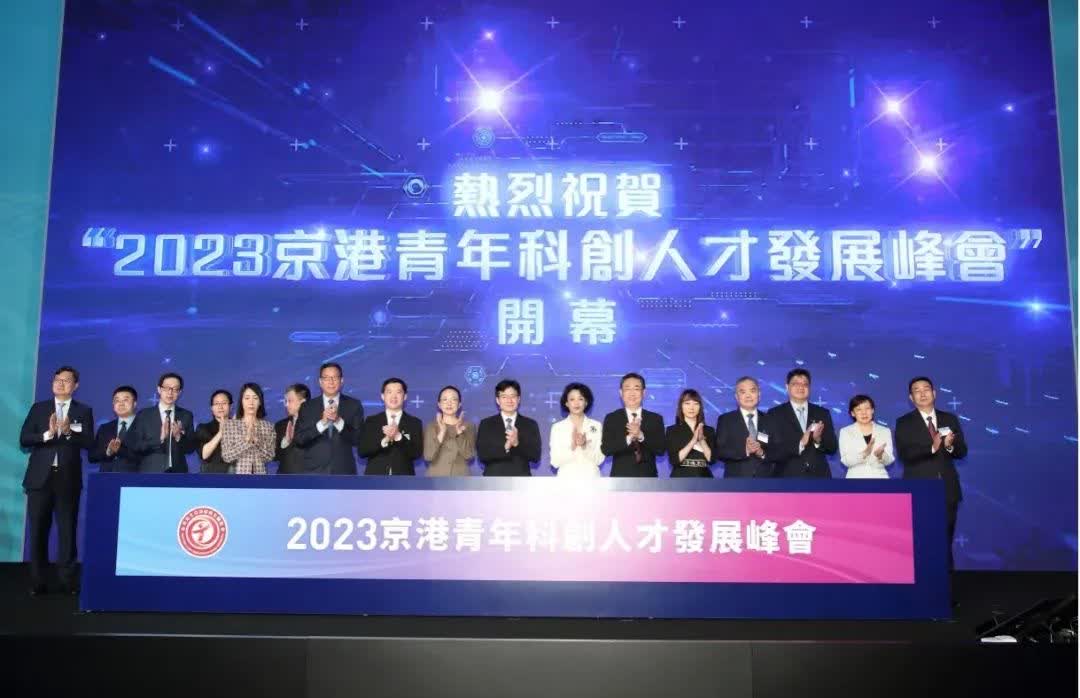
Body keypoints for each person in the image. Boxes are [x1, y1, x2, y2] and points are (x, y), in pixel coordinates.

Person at [19, 366, 94, 595]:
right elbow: (24, 439)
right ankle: (38, 581)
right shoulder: (39, 408)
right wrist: (47, 435)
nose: (60, 383)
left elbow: (88, 442)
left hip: (67, 480)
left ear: (75, 385)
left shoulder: (83, 411)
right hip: (39, 480)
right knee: (38, 531)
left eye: (66, 380)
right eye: (57, 380)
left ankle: (67, 581)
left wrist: (69, 431)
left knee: (67, 531)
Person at [895, 376, 968, 569]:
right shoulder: (904, 422)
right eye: (916, 390)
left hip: (947, 489)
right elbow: (905, 455)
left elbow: (962, 452)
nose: (922, 393)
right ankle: (923, 583)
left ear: (934, 393)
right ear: (911, 398)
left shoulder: (949, 419)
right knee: (921, 541)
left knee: (945, 542)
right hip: (919, 489)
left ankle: (946, 585)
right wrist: (933, 447)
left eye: (926, 389)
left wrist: (950, 446)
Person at [293, 362, 365, 474]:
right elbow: (299, 440)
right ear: (320, 382)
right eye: (326, 378)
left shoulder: (354, 405)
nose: (331, 382)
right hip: (314, 472)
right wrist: (322, 424)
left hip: (343, 471)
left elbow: (358, 439)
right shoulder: (307, 407)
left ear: (341, 381)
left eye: (335, 377)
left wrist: (338, 421)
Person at [768, 368, 838, 478]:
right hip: (787, 477)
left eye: (805, 384)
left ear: (809, 388)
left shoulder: (822, 413)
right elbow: (771, 451)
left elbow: (832, 448)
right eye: (795, 384)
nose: (801, 387)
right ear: (787, 387)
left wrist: (818, 440)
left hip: (819, 477)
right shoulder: (774, 414)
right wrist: (800, 444)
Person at [125, 372, 196, 473]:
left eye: (175, 389)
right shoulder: (144, 415)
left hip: (178, 472)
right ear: (159, 389)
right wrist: (160, 439)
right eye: (166, 388)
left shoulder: (186, 415)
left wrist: (179, 437)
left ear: (180, 392)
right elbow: (135, 445)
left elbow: (191, 448)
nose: (170, 392)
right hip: (151, 471)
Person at [601, 373, 665, 477]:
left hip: (648, 477)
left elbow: (661, 450)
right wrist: (629, 437)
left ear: (644, 393)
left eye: (636, 388)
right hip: (620, 477)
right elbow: (606, 449)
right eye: (627, 389)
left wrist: (641, 436)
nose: (632, 393)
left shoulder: (655, 418)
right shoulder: (612, 418)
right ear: (621, 393)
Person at [714, 376, 780, 478]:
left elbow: (778, 451)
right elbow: (720, 451)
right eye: (743, 392)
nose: (748, 395)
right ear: (736, 397)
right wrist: (745, 450)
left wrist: (762, 453)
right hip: (736, 481)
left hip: (765, 480)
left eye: (752, 391)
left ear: (759, 394)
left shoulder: (770, 419)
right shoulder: (726, 420)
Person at [475, 379, 541, 476]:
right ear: (497, 400)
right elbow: (482, 455)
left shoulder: (530, 424)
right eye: (504, 397)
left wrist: (517, 444)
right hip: (493, 479)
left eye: (513, 396)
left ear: (519, 399)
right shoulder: (486, 424)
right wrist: (505, 448)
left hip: (521, 479)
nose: (509, 401)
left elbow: (535, 456)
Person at [359, 378, 424, 475]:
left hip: (403, 478)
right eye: (389, 392)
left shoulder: (414, 423)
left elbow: (416, 453)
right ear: (382, 396)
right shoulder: (371, 421)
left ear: (405, 396)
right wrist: (384, 441)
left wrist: (398, 436)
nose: (394, 396)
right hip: (375, 478)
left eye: (398, 392)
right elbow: (362, 451)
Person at [549, 382, 604, 477]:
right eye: (572, 399)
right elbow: (555, 462)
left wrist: (584, 446)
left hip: (591, 478)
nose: (576, 403)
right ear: (566, 403)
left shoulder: (596, 426)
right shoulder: (557, 428)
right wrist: (572, 447)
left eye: (580, 399)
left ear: (586, 402)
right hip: (566, 479)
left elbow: (599, 459)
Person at [221, 383, 276, 474]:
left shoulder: (268, 427)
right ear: (241, 401)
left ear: (260, 402)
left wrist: (256, 442)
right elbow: (226, 456)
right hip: (237, 477)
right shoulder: (230, 425)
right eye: (247, 398)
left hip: (260, 477)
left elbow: (270, 456)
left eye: (255, 398)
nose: (251, 402)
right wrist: (246, 442)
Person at [423, 385, 475, 477]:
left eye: (454, 400)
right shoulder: (431, 426)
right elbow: (428, 456)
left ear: (459, 404)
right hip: (435, 478)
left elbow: (469, 455)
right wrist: (442, 431)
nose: (449, 403)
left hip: (461, 478)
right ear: (439, 404)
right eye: (445, 400)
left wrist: (459, 432)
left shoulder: (468, 426)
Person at [839, 394, 894, 478]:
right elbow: (845, 461)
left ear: (872, 410)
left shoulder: (884, 431)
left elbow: (889, 460)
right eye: (859, 409)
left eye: (867, 408)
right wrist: (864, 453)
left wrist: (881, 455)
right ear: (852, 413)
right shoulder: (846, 432)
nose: (864, 413)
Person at [666, 389, 716, 477]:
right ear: (681, 406)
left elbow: (711, 460)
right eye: (687, 403)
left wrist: (702, 440)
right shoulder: (672, 430)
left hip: (704, 478)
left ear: (700, 407)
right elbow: (674, 460)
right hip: (680, 478)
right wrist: (693, 441)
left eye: (696, 404)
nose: (691, 407)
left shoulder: (709, 430)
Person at [89, 385, 138, 473]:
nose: (121, 404)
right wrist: (108, 452)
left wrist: (119, 450)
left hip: (134, 477)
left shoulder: (144, 425)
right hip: (107, 477)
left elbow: (146, 455)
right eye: (117, 400)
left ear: (134, 404)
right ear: (113, 405)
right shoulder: (105, 428)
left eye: (125, 400)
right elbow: (92, 456)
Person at [274, 383, 310, 474]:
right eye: (285, 401)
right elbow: (274, 457)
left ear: (303, 402)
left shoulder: (316, 425)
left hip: (309, 478)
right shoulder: (280, 425)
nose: (286, 405)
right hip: (284, 478)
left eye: (290, 401)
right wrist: (285, 442)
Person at [194, 390, 232, 474]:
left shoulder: (239, 427)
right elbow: (204, 455)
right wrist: (221, 433)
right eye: (216, 404)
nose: (220, 407)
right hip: (211, 476)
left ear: (230, 406)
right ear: (212, 408)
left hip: (236, 476)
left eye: (224, 403)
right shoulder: (203, 428)